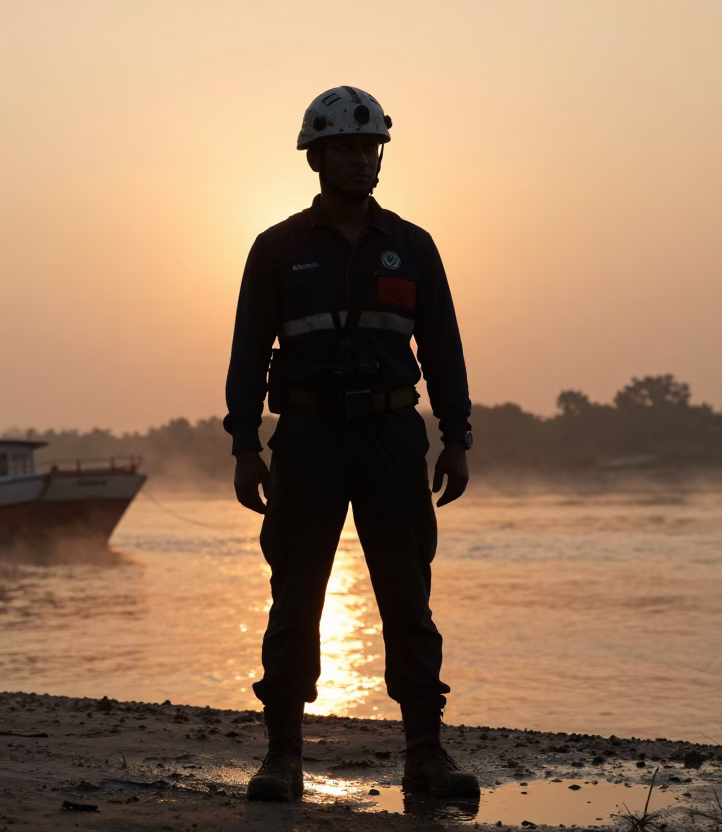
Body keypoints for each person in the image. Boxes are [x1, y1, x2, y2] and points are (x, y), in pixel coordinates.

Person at [223, 86, 478, 802]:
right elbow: (247, 354)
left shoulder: (412, 247)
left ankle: (425, 752)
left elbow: (445, 350)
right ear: (317, 156)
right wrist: (246, 445)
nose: (361, 160)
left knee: (407, 594)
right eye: (345, 148)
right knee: (295, 594)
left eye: (371, 148)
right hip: (306, 438)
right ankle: (282, 756)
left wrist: (455, 437)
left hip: (394, 437)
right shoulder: (276, 250)